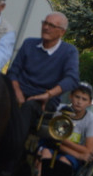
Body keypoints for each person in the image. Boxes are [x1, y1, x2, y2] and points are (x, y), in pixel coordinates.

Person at [7, 11, 80, 143]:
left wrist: (49, 94)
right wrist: (17, 93)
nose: (46, 27)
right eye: (45, 23)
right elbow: (13, 72)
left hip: (44, 100)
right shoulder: (29, 44)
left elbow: (72, 79)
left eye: (51, 25)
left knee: (28, 107)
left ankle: (12, 150)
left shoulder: (69, 52)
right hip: (17, 93)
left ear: (62, 32)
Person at [38, 81, 93, 173]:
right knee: (44, 154)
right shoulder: (60, 111)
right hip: (56, 148)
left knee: (63, 162)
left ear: (90, 102)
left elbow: (88, 151)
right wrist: (60, 142)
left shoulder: (92, 120)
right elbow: (52, 141)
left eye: (84, 99)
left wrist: (62, 141)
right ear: (70, 96)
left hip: (73, 156)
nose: (79, 102)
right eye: (77, 97)